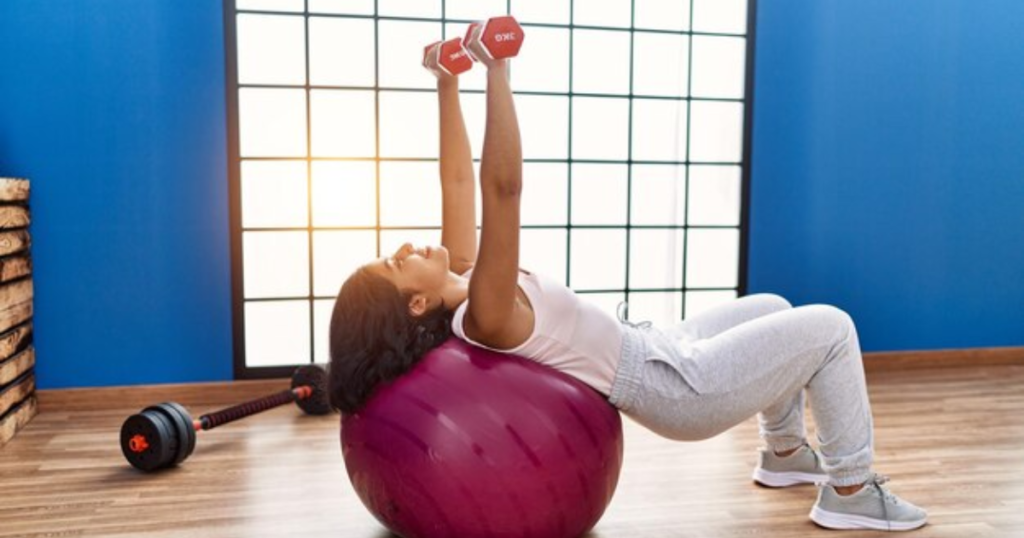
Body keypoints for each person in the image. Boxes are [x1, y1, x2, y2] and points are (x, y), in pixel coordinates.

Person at [327, 35, 927, 532]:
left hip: (658, 344)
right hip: (675, 388)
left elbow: (457, 184)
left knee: (770, 305)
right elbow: (500, 190)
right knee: (830, 327)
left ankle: (787, 454)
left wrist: (447, 83)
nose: (406, 247)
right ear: (416, 301)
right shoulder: (486, 310)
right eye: (397, 261)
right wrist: (498, 72)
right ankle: (849, 489)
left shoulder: (461, 275)